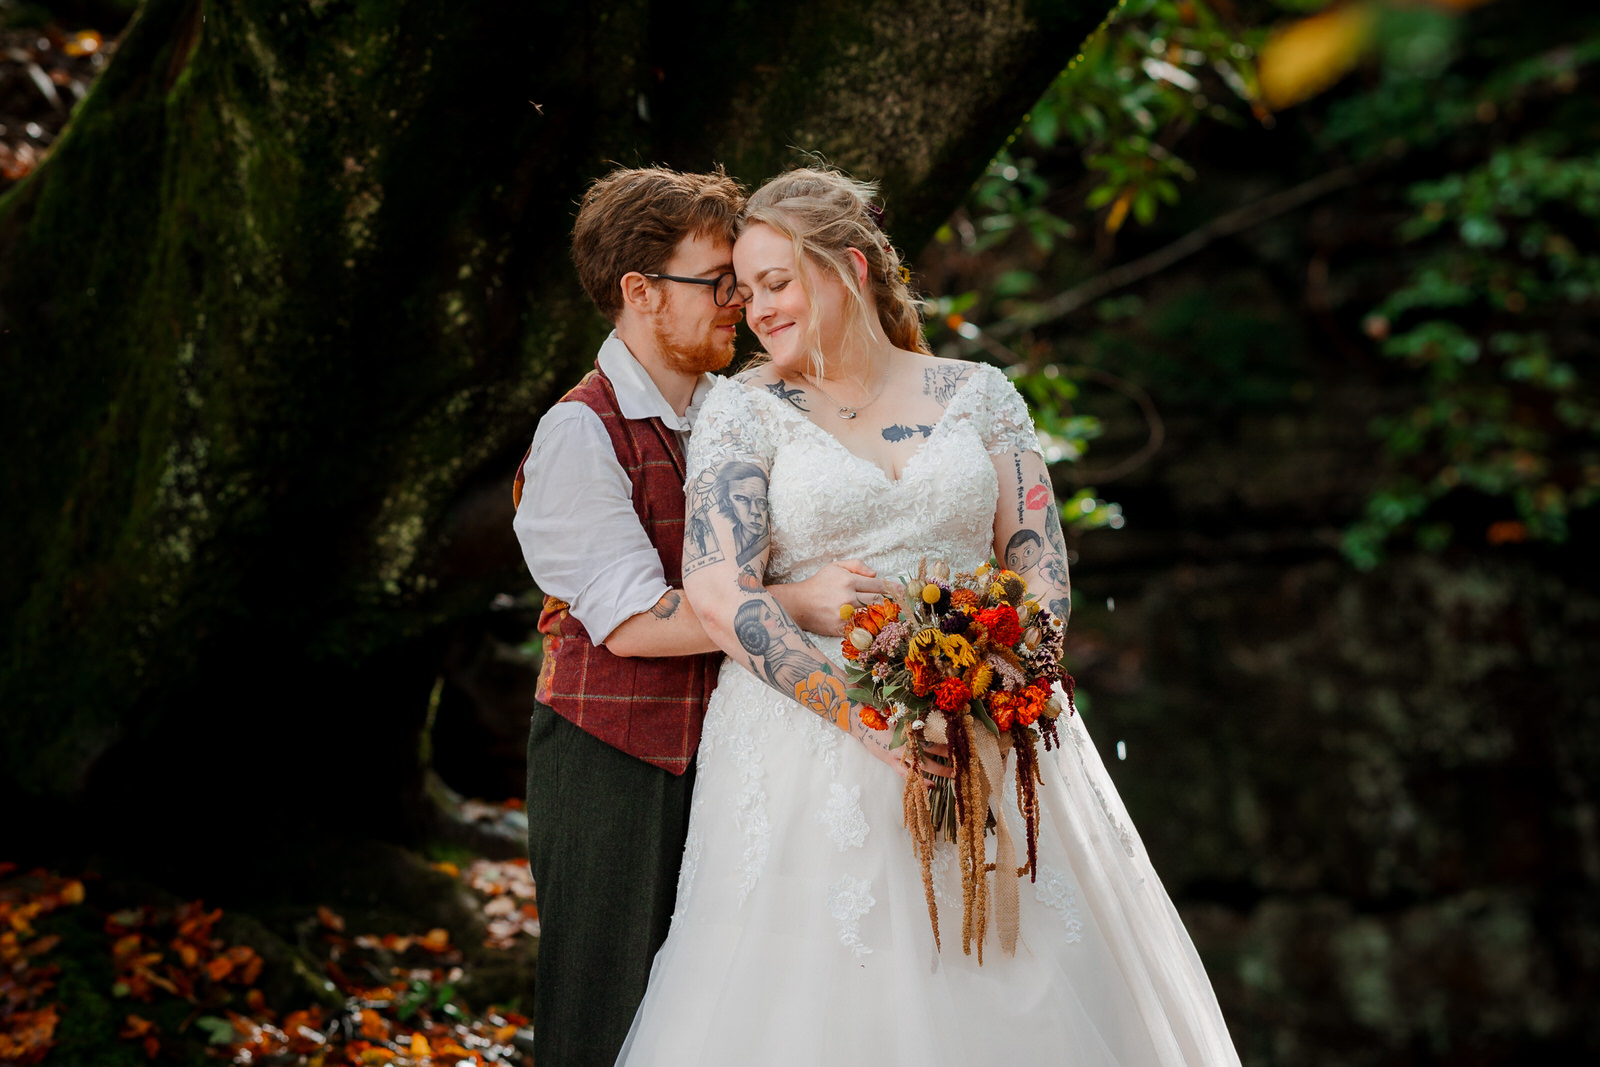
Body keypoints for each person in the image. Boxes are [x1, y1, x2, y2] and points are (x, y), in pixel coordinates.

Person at [616, 167, 1243, 1065]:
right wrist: (867, 716)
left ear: (851, 268)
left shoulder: (978, 393)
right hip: (809, 741)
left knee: (1017, 976)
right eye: (744, 292)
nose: (757, 309)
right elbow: (719, 590)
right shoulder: (741, 411)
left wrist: (1006, 686)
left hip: (995, 722)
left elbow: (1041, 567)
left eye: (777, 282)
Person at [511, 166, 884, 1067]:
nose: (737, 304)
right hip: (613, 760)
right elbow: (636, 621)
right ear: (640, 292)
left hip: (734, 759)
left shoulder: (731, 409)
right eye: (716, 283)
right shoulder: (581, 432)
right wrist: (794, 602)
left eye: (749, 284)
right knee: (603, 1017)